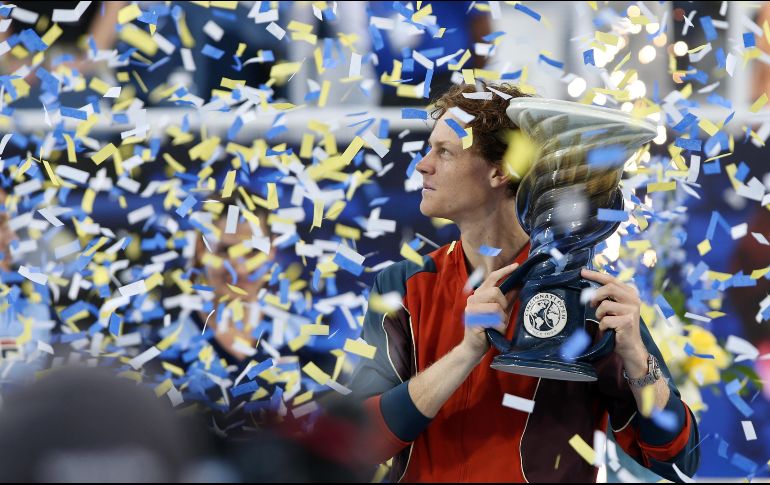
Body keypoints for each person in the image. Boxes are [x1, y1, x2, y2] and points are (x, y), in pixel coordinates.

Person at [346, 82, 700, 482]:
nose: (422, 165)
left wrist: (637, 358)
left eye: (444, 152)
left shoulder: (585, 297)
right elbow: (357, 442)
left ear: (500, 171)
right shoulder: (405, 285)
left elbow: (678, 460)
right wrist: (466, 353)